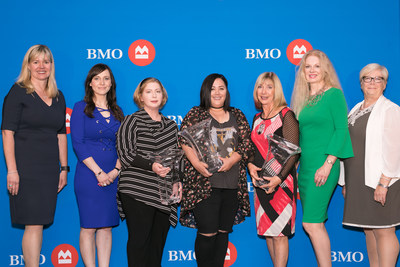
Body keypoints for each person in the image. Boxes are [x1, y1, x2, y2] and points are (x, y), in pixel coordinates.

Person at [1, 44, 68, 267]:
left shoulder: (58, 97)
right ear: (28, 65)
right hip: (25, 168)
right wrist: (12, 170)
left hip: (49, 169)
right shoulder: (18, 92)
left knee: (39, 222)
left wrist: (64, 168)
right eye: (36, 62)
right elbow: (7, 133)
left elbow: (61, 135)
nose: (41, 66)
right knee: (32, 222)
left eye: (46, 62)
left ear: (51, 66)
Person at [179, 73, 251, 267]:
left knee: (222, 233)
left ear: (226, 91)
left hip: (231, 184)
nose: (217, 92)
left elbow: (246, 145)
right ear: (206, 92)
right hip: (205, 184)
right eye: (212, 89)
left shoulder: (237, 114)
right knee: (207, 233)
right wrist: (195, 162)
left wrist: (231, 160)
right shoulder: (196, 113)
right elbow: (184, 140)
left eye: (221, 88)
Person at [290, 49, 353, 267]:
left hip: (324, 164)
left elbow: (341, 130)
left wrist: (328, 164)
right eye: (308, 66)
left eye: (317, 66)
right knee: (314, 225)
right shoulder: (304, 100)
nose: (312, 70)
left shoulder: (333, 94)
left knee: (312, 224)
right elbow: (303, 137)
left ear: (324, 69)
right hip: (306, 168)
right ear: (303, 72)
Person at [116, 77, 180, 267]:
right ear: (141, 97)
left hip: (164, 194)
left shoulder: (171, 126)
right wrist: (151, 165)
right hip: (137, 191)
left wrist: (177, 182)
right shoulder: (131, 121)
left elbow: (177, 159)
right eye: (149, 91)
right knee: (139, 243)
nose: (154, 95)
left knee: (157, 247)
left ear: (163, 96)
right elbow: (125, 154)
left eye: (157, 91)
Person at [341, 64, 400, 267]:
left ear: (384, 85)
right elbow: (348, 146)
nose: (372, 83)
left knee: (384, 230)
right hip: (358, 180)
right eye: (368, 78)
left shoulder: (391, 110)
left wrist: (384, 183)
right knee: (369, 228)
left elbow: (395, 150)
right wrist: (346, 182)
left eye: (378, 79)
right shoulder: (356, 109)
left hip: (382, 181)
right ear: (361, 83)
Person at [70, 63, 124, 267]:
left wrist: (116, 171)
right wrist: (99, 172)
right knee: (89, 227)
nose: (102, 82)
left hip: (113, 176)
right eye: (97, 78)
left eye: (106, 78)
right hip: (89, 175)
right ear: (90, 83)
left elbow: (124, 146)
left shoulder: (118, 112)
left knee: (106, 227)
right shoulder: (80, 107)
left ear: (111, 84)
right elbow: (78, 143)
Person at [248, 72, 299, 267]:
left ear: (276, 90)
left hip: (282, 184)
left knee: (279, 235)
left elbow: (294, 152)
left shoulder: (287, 115)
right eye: (260, 87)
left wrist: (279, 178)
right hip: (261, 185)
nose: (264, 91)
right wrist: (250, 165)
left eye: (269, 87)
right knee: (269, 234)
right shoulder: (256, 118)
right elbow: (252, 150)